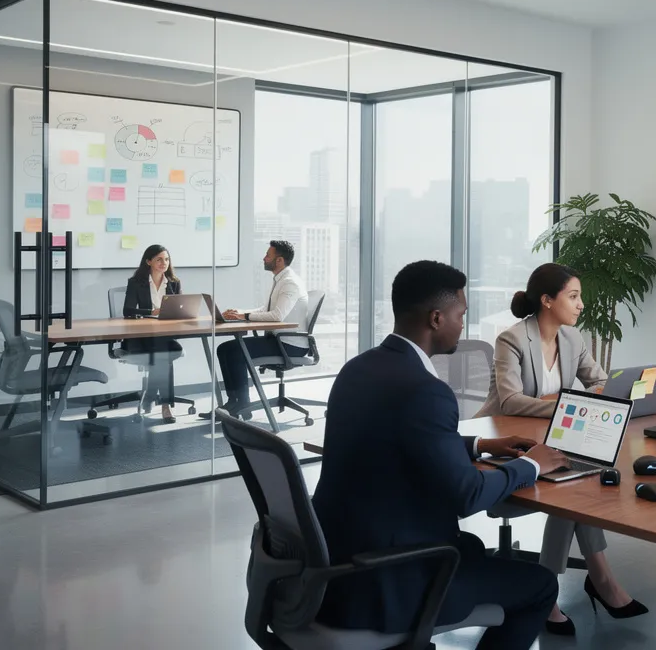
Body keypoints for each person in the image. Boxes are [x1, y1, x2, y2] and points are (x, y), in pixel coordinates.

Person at [312, 260, 569, 650]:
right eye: (461, 314)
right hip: (391, 581)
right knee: (540, 585)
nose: (463, 324)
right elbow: (467, 496)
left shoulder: (358, 369)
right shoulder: (425, 390)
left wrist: (480, 445)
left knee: (474, 551)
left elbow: (393, 439)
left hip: (334, 567)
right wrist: (532, 464)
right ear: (436, 318)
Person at [475, 264, 647, 634]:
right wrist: (570, 404)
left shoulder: (573, 339)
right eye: (573, 296)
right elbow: (511, 401)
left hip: (552, 438)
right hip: (503, 445)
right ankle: (595, 581)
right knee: (574, 490)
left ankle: (564, 587)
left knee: (580, 484)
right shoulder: (513, 339)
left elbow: (599, 382)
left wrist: (610, 394)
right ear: (547, 301)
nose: (581, 304)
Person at [203, 240, 307, 419]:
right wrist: (240, 312)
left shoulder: (290, 283)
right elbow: (265, 309)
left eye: (268, 255)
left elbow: (277, 315)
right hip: (277, 340)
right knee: (224, 349)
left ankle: (243, 404)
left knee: (236, 352)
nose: (264, 258)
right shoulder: (279, 280)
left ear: (279, 260)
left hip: (290, 345)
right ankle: (233, 402)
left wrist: (245, 317)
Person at [121, 244, 184, 423]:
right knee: (165, 355)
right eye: (159, 259)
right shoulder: (136, 282)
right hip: (140, 338)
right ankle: (165, 405)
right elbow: (128, 310)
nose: (164, 263)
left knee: (164, 352)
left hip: (164, 335)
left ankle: (151, 394)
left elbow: (179, 308)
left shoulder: (173, 283)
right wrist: (152, 311)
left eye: (166, 259)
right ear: (148, 261)